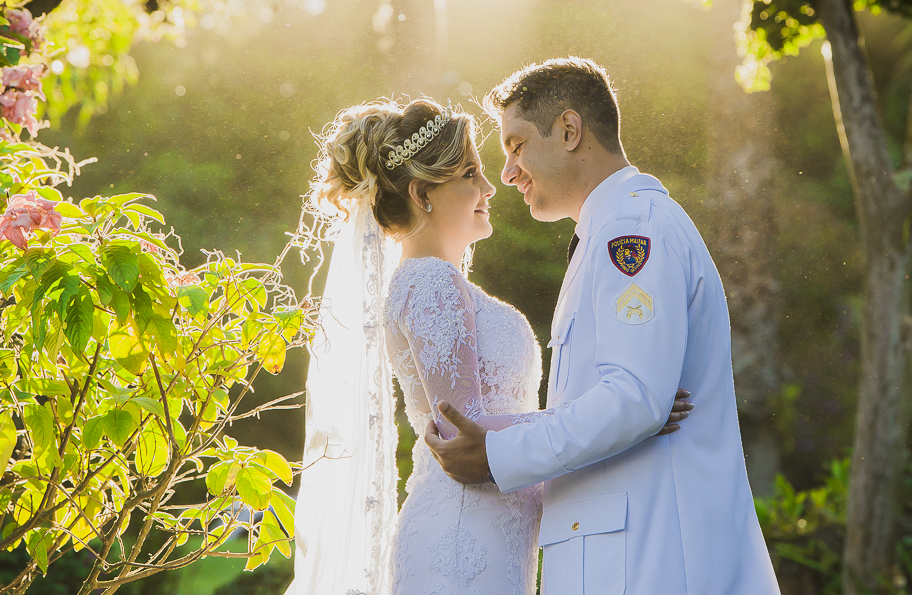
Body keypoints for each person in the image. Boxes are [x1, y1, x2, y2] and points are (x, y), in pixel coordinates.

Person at [285, 97, 691, 595]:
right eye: (470, 175)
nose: (488, 187)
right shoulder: (432, 282)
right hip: (462, 540)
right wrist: (616, 416)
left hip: (484, 530)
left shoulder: (429, 282)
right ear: (423, 193)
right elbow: (462, 426)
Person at [423, 59, 781, 595]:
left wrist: (499, 457)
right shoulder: (607, 232)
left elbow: (636, 397)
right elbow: (631, 400)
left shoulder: (630, 232)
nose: (507, 173)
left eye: (517, 145)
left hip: (647, 559)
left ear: (569, 132)